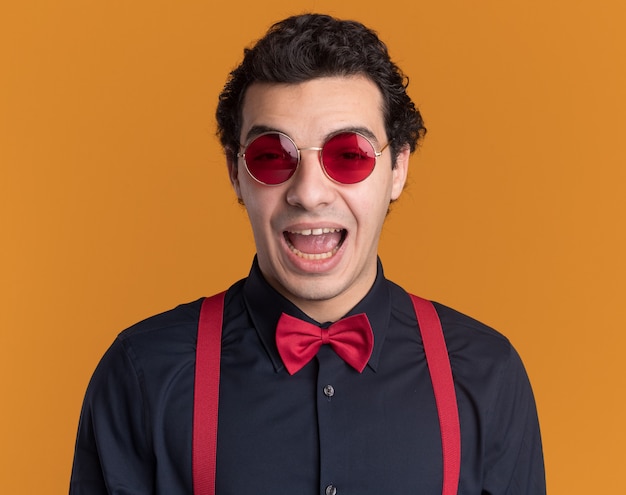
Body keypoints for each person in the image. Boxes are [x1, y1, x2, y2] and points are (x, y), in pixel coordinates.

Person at [70, 13, 546, 495]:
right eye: (272, 156)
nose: (309, 193)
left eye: (349, 155)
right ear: (236, 174)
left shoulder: (487, 377)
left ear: (398, 168)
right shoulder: (143, 374)